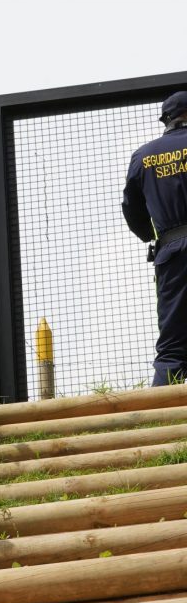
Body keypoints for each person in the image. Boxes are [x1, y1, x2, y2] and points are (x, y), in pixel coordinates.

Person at [123, 91, 187, 386]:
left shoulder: (143, 156)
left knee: (173, 344)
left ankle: (160, 419)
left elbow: (131, 208)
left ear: (167, 119)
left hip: (172, 253)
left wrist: (150, 236)